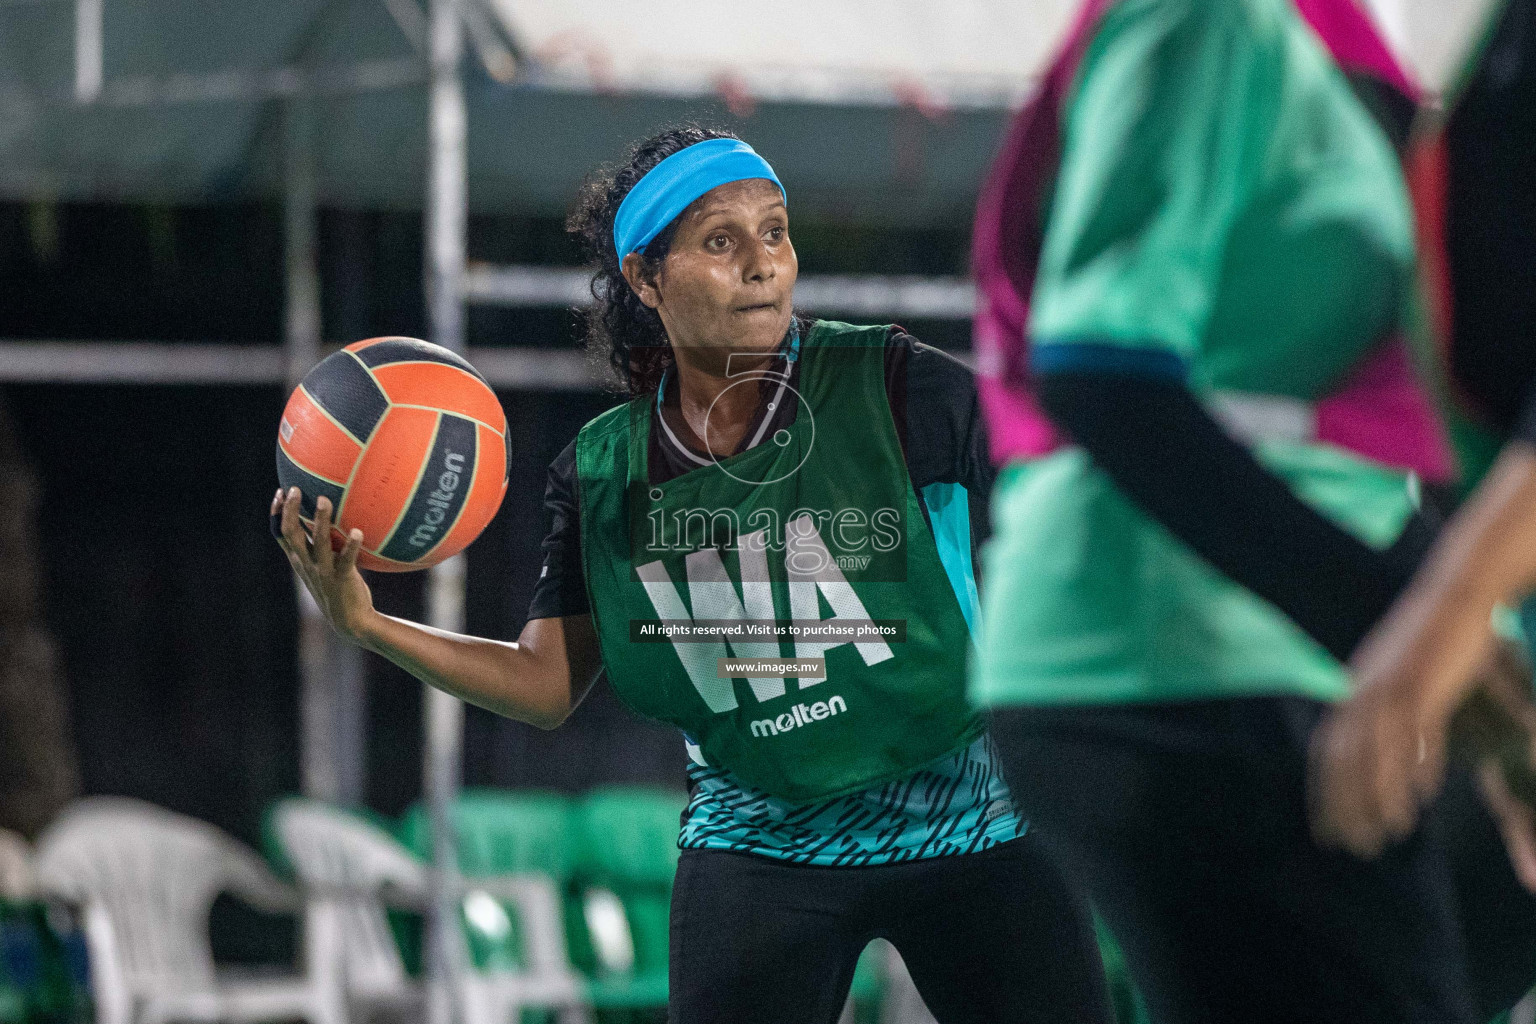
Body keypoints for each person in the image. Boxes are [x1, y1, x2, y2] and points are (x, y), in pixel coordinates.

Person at [273, 126, 1112, 1024]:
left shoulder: (901, 388)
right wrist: (367, 624)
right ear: (646, 277)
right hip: (760, 841)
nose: (762, 264)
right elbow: (548, 681)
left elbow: (1066, 514)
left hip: (970, 816)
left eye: (776, 232)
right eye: (721, 240)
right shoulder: (602, 475)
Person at [966, 0, 1484, 1020]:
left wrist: (1457, 628)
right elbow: (1100, 373)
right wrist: (1415, 628)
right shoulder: (1203, 21)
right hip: (1177, 658)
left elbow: (1319, 438)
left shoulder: (1325, 53)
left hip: (1260, 652)